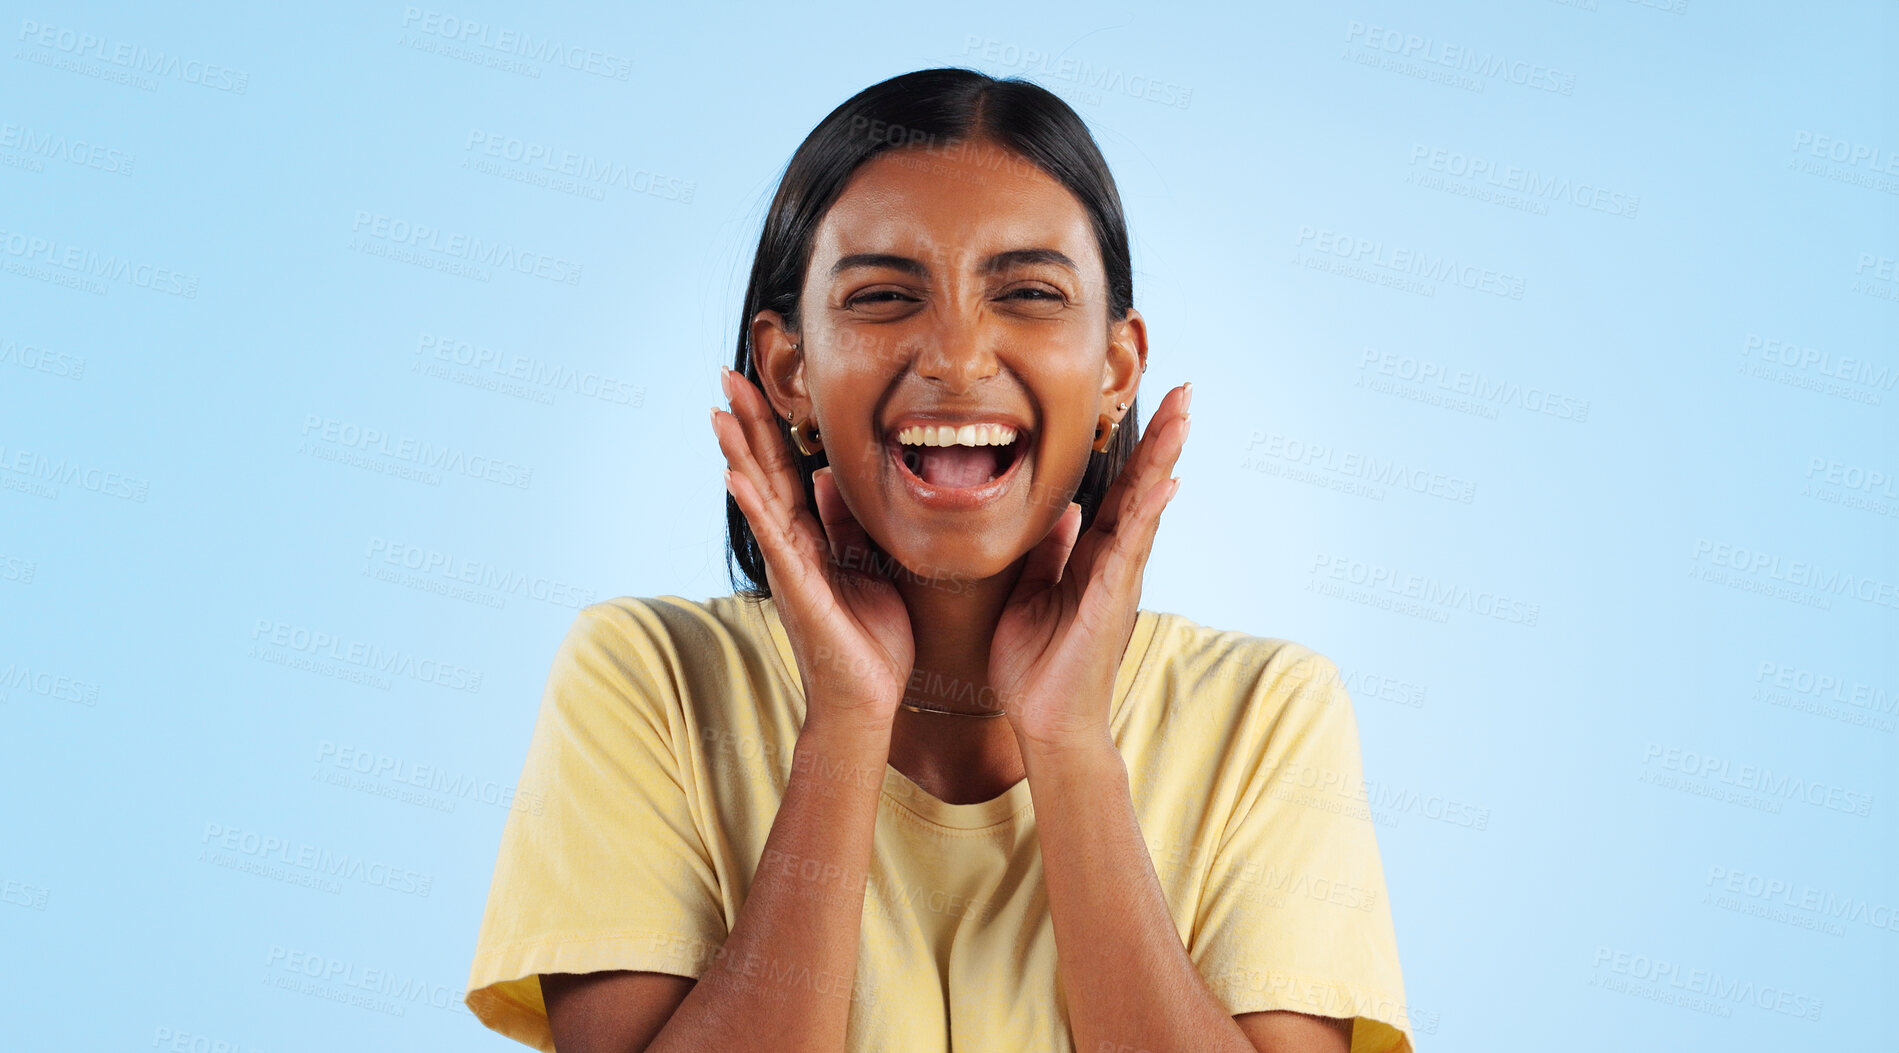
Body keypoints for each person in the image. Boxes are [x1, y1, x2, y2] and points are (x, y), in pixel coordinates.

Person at [463, 67, 1413, 1053]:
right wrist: (842, 723)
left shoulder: (1268, 714)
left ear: (1116, 373)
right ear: (790, 372)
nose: (958, 358)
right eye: (881, 296)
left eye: (1030, 293)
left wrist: (1072, 745)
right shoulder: (647, 679)